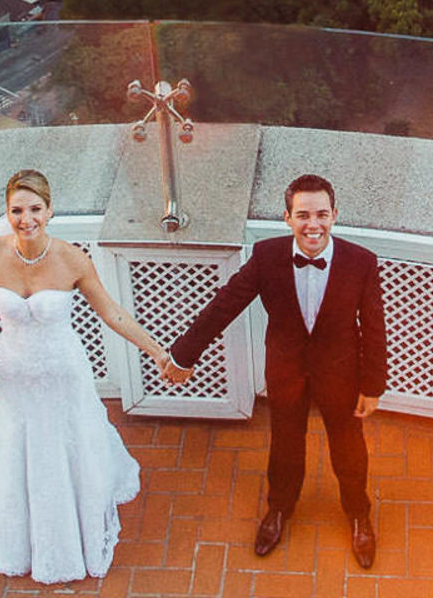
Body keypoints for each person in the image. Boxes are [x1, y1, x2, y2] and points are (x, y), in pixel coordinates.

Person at [0, 169, 181, 586]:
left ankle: (74, 518)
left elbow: (112, 313)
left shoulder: (72, 259)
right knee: (19, 445)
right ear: (6, 212)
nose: (26, 219)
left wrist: (159, 353)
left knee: (67, 442)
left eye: (35, 209)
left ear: (50, 209)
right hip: (16, 379)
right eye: (17, 210)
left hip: (64, 375)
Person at [164, 172, 389, 569]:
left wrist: (372, 386)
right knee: (285, 444)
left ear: (335, 215)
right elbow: (225, 304)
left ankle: (359, 514)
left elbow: (373, 327)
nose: (313, 225)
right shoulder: (267, 256)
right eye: (303, 215)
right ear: (287, 218)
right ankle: (279, 509)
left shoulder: (362, 262)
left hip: (341, 373)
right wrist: (184, 354)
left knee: (348, 448)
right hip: (286, 369)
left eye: (321, 214)